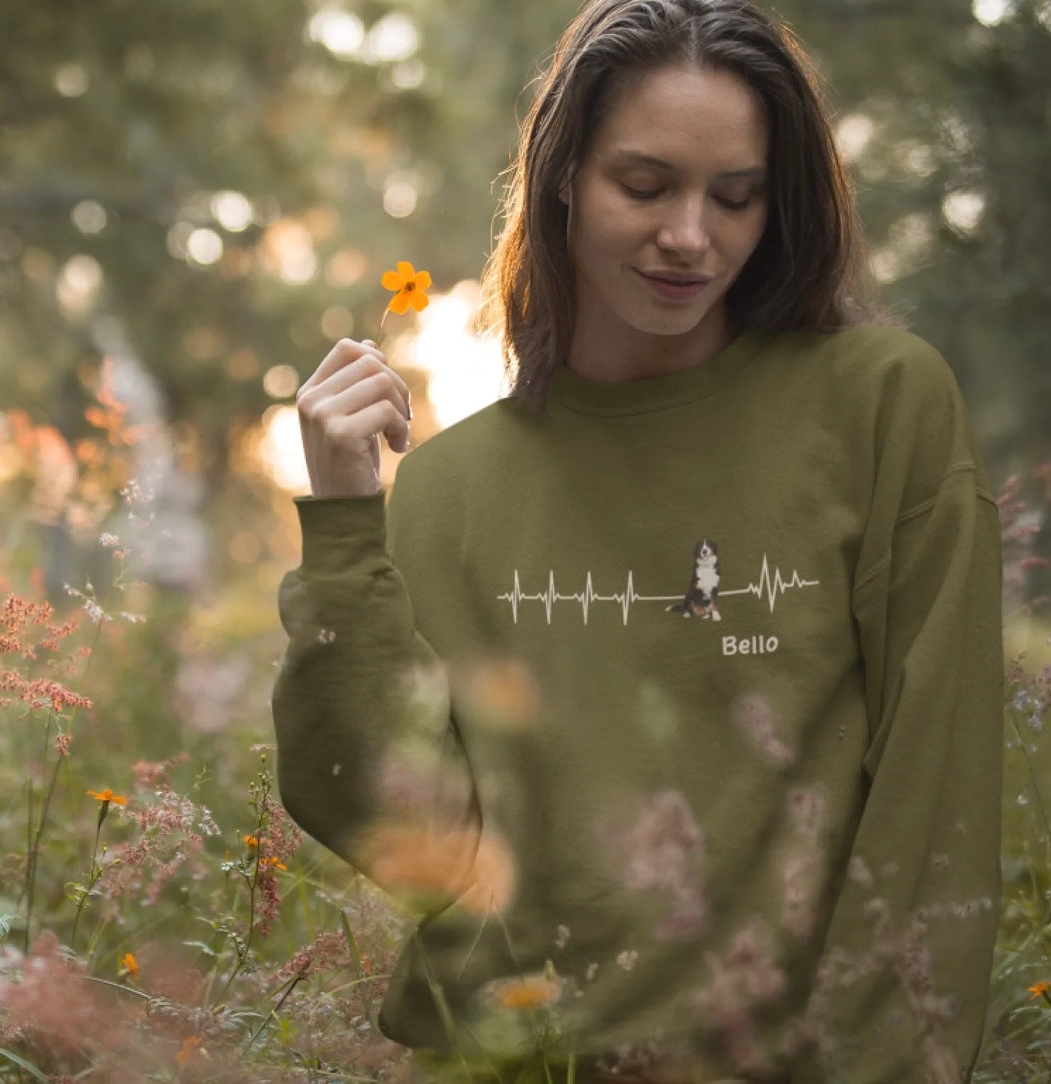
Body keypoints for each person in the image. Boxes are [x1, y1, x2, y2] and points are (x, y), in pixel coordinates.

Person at [272, 0, 1004, 1080]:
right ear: (562, 175)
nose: (689, 236)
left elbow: (932, 792)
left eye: (735, 196)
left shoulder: (878, 407)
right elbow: (396, 822)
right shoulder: (443, 492)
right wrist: (341, 521)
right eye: (645, 185)